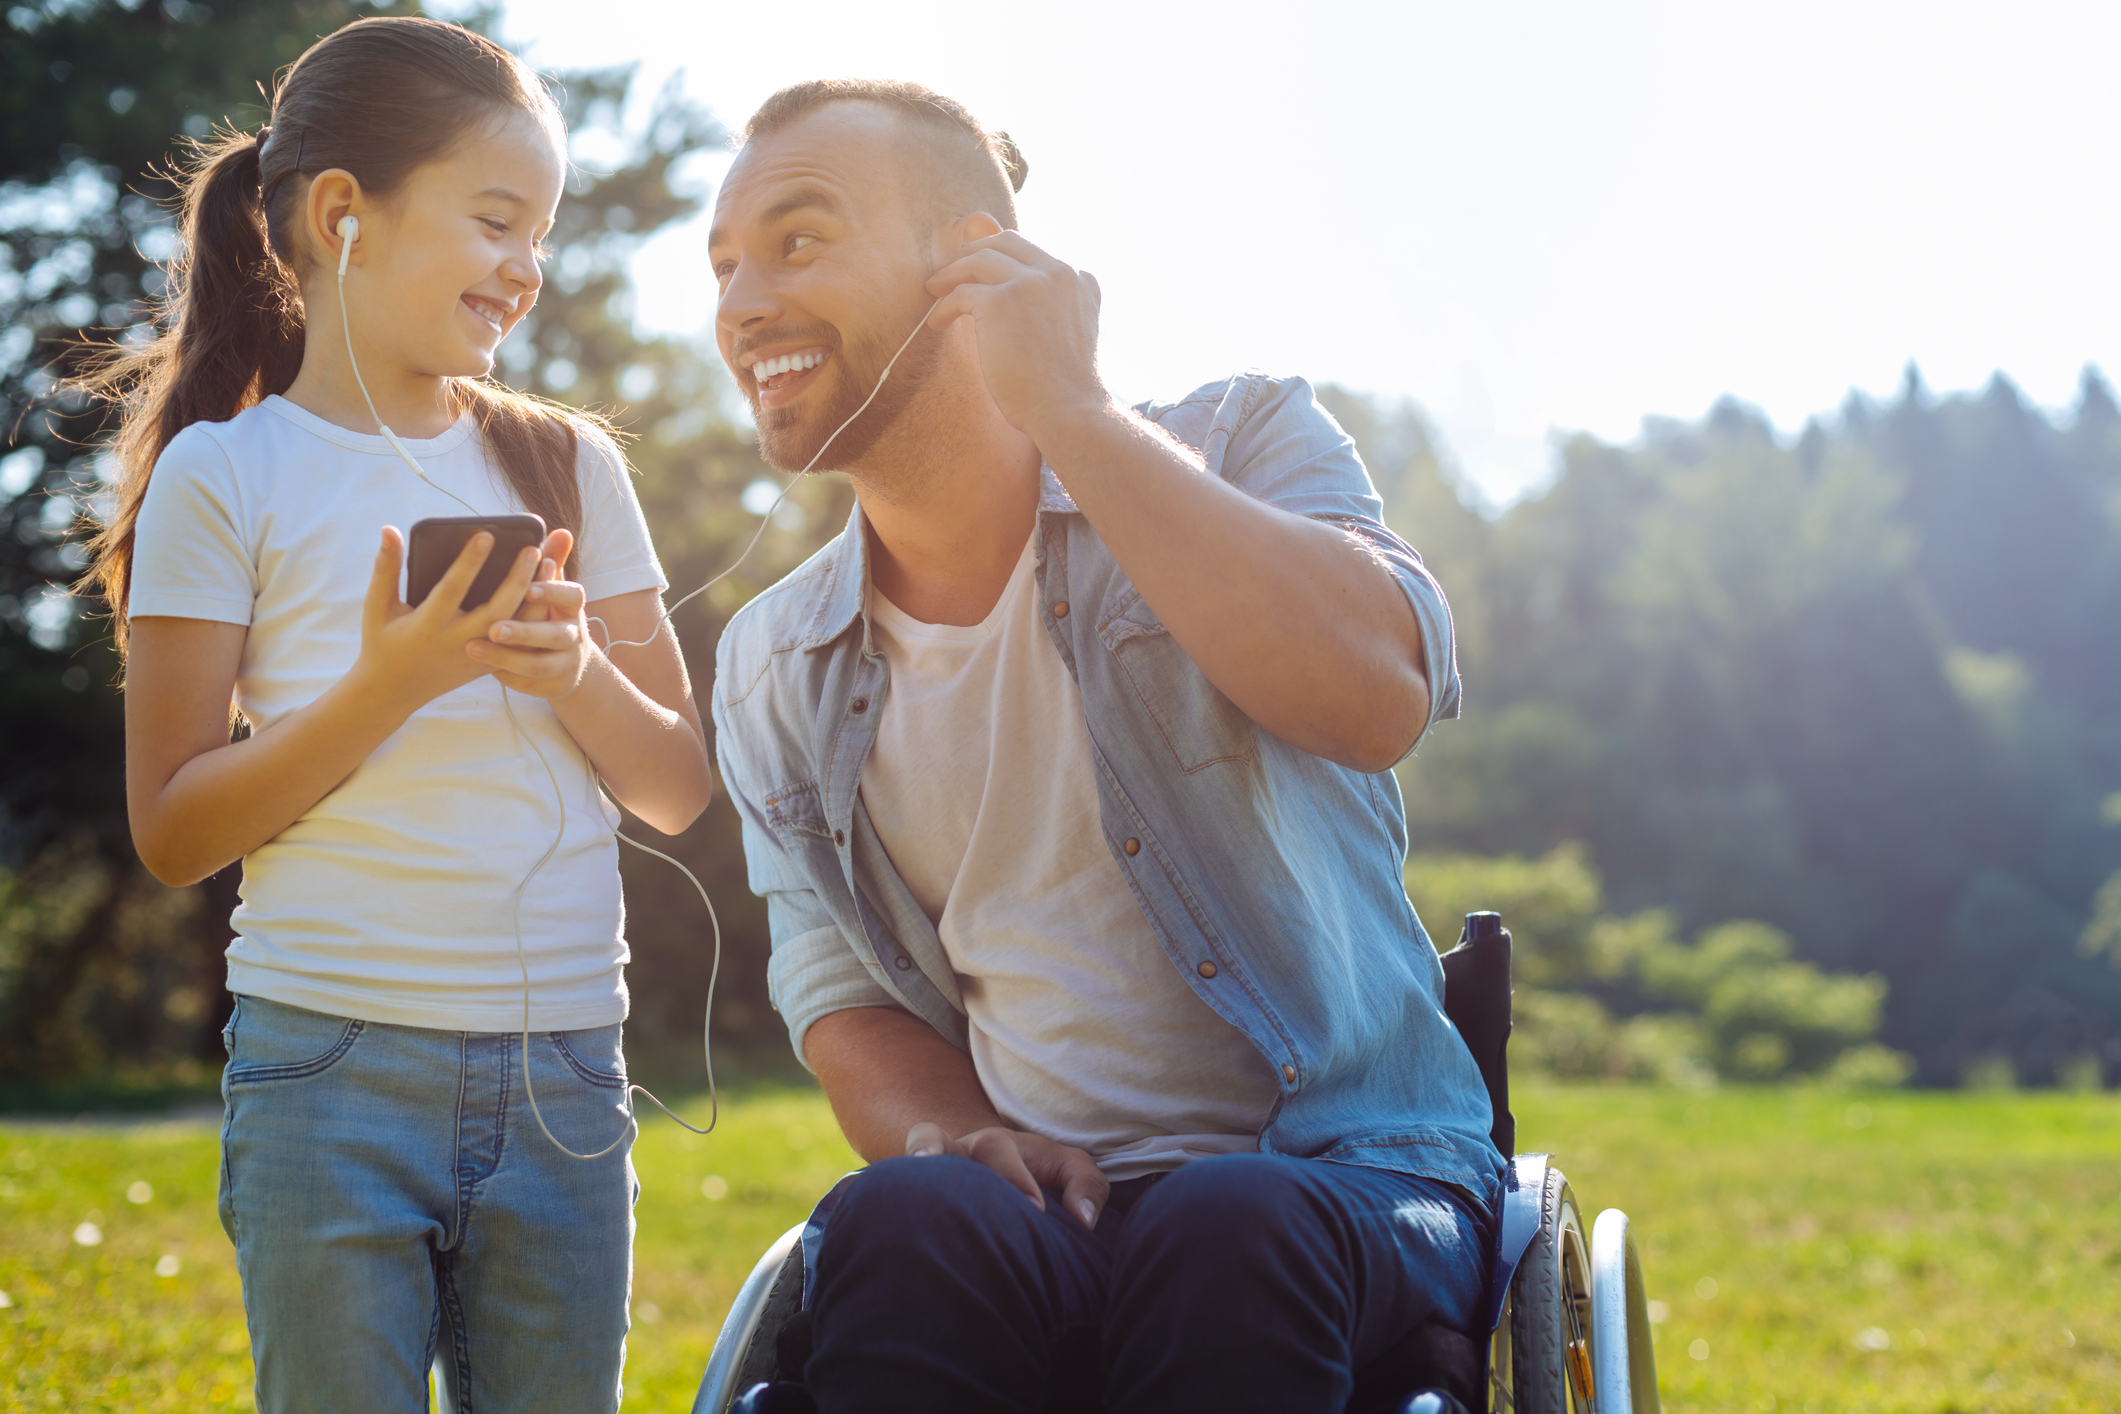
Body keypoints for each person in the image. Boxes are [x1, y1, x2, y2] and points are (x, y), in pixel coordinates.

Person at [709, 80, 1501, 1414]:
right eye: (723, 265)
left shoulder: (1242, 440)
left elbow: (1375, 698)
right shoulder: (774, 660)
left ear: (971, 261)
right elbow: (842, 997)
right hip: (1052, 1215)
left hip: (1350, 1177)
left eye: (795, 241)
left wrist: (1069, 408)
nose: (739, 305)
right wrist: (956, 1135)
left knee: (1229, 1222)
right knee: (900, 1219)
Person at [85, 18, 712, 1413]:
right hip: (326, 1065)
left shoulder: (567, 464)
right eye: (497, 220)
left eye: (540, 232)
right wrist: (387, 685)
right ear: (340, 215)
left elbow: (674, 783)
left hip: (563, 1073)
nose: (526, 268)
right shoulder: (224, 477)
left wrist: (573, 678)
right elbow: (176, 831)